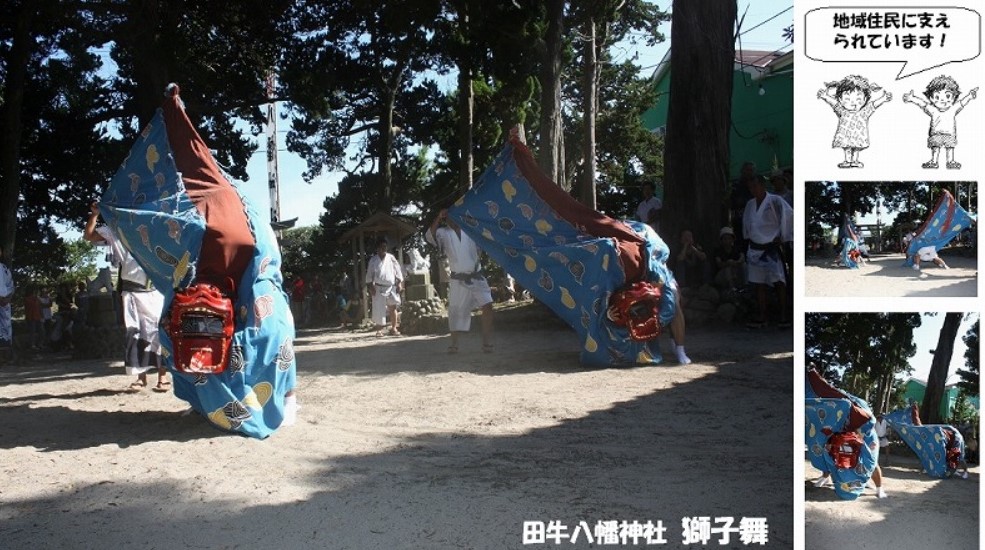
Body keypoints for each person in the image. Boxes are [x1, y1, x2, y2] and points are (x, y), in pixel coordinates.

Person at [84, 202, 169, 392]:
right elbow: (88, 236)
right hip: (131, 291)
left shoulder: (159, 233)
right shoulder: (118, 232)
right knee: (135, 332)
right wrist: (95, 215)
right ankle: (141, 378)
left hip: (155, 291)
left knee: (159, 331)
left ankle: (163, 377)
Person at [427, 209, 494, 354]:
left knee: (487, 305)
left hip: (476, 275)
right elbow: (430, 235)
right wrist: (438, 217)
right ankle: (454, 343)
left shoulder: (471, 230)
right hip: (458, 278)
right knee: (455, 311)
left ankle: (486, 342)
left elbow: (487, 236)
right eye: (449, 217)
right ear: (446, 219)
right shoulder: (443, 233)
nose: (452, 220)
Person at [742, 175, 793, 329]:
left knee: (779, 282)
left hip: (771, 247)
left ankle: (784, 316)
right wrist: (748, 238)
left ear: (763, 186)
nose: (753, 190)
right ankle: (762, 317)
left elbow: (789, 215)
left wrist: (783, 236)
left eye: (756, 186)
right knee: (759, 284)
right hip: (755, 247)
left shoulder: (775, 201)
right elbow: (747, 223)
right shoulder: (750, 204)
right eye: (751, 187)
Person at [817, 75, 892, 168]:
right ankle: (848, 161)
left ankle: (855, 161)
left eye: (858, 100)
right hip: (846, 135)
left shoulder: (864, 112)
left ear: (865, 99)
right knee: (847, 148)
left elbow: (874, 105)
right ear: (840, 99)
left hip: (858, 135)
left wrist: (884, 99)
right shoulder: (842, 111)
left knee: (857, 148)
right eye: (848, 99)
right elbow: (834, 103)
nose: (853, 103)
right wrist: (825, 96)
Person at [903, 75, 978, 169]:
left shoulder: (953, 109)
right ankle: (934, 162)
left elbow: (962, 102)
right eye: (937, 97)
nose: (942, 100)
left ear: (954, 97)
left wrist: (970, 96)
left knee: (950, 147)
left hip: (949, 134)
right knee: (935, 147)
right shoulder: (933, 109)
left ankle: (950, 162)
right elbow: (922, 104)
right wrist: (912, 99)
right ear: (931, 98)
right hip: (936, 133)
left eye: (947, 96)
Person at [365, 237, 403, 337]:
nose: (383, 249)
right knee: (379, 309)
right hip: (378, 287)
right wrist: (370, 286)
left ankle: (394, 328)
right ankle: (379, 330)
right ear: (377, 248)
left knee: (393, 307)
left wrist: (399, 282)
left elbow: (397, 270)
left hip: (391, 286)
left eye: (385, 247)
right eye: (381, 247)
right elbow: (369, 275)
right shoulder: (373, 260)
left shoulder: (391, 258)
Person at [24, 284, 45, 350]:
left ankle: (40, 344)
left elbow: (40, 306)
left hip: (38, 316)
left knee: (41, 331)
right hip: (31, 317)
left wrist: (42, 315)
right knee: (32, 331)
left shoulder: (37, 298)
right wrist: (36, 299)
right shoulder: (27, 299)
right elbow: (30, 305)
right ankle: (32, 344)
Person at [0, 245, 14, 347]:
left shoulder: (4, 268)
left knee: (6, 327)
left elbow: (11, 285)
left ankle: (6, 348)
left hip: (5, 303)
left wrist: (7, 298)